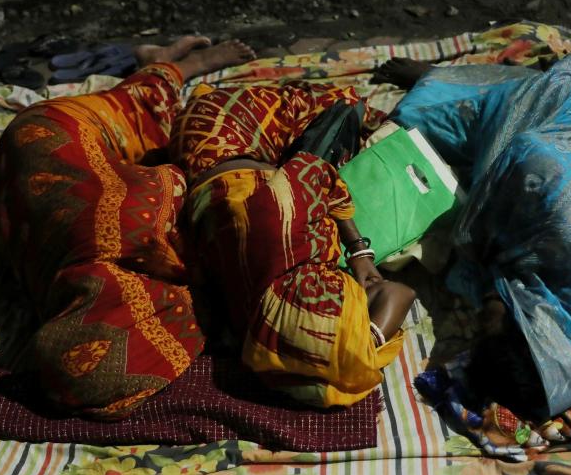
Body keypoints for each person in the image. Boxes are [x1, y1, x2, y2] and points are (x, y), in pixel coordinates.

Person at [0, 37, 256, 419]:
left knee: (151, 123)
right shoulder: (73, 298)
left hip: (49, 130)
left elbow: (181, 178)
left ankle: (168, 66)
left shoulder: (144, 217)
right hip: (16, 188)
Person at [373, 54, 571, 420]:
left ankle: (494, 88)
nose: (481, 313)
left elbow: (503, 280)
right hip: (550, 116)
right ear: (526, 323)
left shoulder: (562, 320)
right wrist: (481, 222)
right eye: (487, 324)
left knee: (420, 164)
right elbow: (530, 155)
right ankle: (439, 78)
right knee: (410, 120)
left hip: (538, 172)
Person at [169, 79, 416, 408]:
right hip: (235, 168)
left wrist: (359, 253)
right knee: (344, 115)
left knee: (333, 106)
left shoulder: (282, 229)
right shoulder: (261, 340)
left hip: (216, 132)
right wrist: (364, 339)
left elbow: (318, 173)